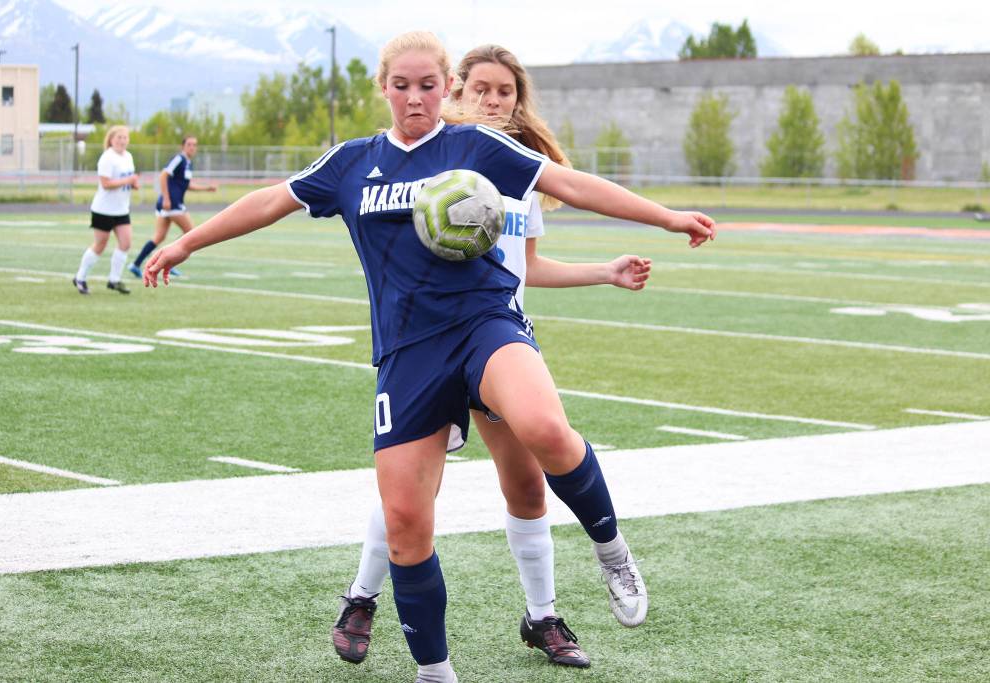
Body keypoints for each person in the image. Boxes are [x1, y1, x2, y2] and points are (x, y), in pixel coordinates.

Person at [145, 31, 714, 683]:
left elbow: (568, 182)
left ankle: (610, 550)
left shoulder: (474, 147)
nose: (414, 98)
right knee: (408, 520)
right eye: (401, 85)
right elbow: (271, 200)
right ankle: (435, 671)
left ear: (447, 88)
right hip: (408, 352)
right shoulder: (353, 163)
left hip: (484, 322)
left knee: (545, 428)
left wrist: (666, 217)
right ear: (383, 88)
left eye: (427, 85)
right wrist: (188, 245)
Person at [331, 43, 656, 671]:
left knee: (529, 478)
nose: (493, 100)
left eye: (505, 92)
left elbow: (529, 268)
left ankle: (544, 615)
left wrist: (604, 271)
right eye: (480, 89)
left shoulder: (514, 175)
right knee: (408, 493)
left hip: (496, 332)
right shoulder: (436, 159)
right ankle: (363, 597)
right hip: (426, 340)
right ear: (457, 91)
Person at [128, 135, 216, 279]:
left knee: (159, 237)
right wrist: (167, 198)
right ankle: (169, 263)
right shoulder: (179, 159)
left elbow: (187, 185)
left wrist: (207, 188)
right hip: (172, 203)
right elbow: (163, 176)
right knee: (191, 233)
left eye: (194, 145)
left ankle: (136, 264)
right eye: (189, 144)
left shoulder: (188, 163)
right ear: (183, 146)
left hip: (170, 203)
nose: (192, 147)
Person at [73, 125, 138, 295]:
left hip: (121, 209)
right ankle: (80, 277)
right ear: (111, 140)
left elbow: (127, 179)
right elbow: (106, 184)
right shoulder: (107, 158)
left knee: (126, 243)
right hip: (103, 210)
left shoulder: (128, 156)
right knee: (100, 245)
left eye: (125, 137)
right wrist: (128, 181)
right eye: (119, 137)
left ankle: (114, 280)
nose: (122, 141)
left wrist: (133, 183)